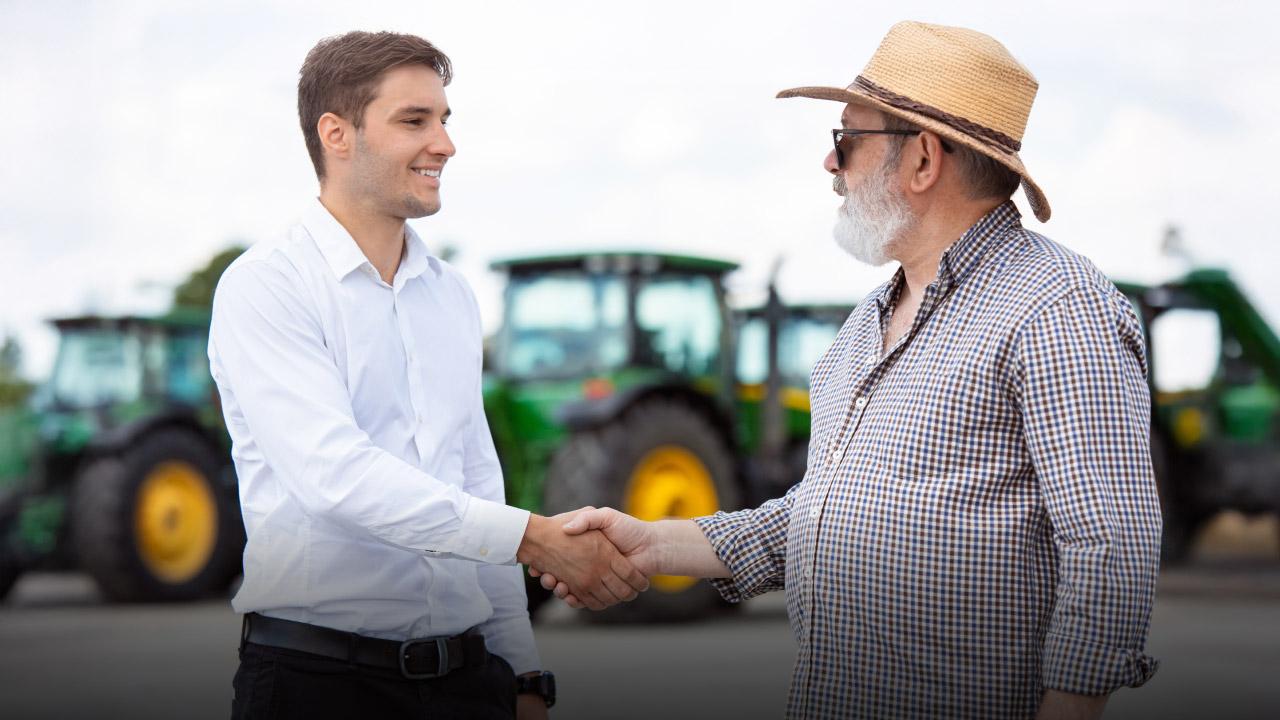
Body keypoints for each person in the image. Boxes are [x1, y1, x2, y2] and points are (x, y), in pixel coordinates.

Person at [532, 21, 1162, 720]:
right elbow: (820, 518)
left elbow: (1111, 546)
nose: (830, 166)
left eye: (847, 140)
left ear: (923, 160)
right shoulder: (865, 323)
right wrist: (654, 542)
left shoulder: (1056, 307)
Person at [209, 31, 646, 720]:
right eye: (415, 121)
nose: (444, 144)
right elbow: (335, 477)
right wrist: (534, 538)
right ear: (337, 134)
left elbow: (476, 477)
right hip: (316, 686)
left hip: (468, 683)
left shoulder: (451, 295)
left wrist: (525, 673)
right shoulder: (267, 286)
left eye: (444, 120)